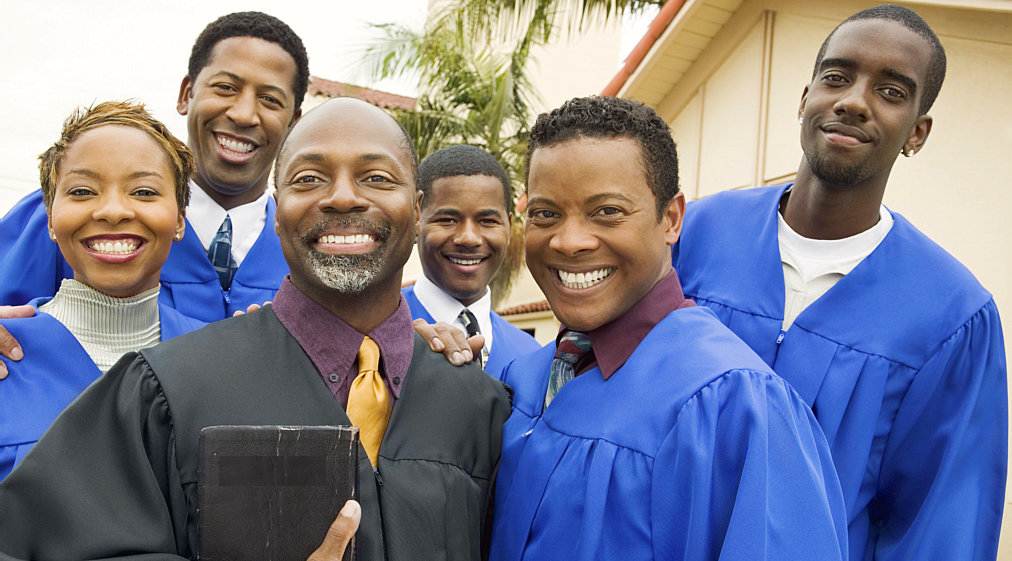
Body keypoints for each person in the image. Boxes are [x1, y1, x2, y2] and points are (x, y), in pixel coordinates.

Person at [0, 98, 510, 561]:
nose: (342, 198)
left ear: (418, 209)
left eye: (376, 177)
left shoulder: (477, 404)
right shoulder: (171, 388)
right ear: (276, 212)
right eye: (308, 179)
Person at [671, 5, 1007, 560]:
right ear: (804, 99)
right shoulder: (693, 236)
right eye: (837, 77)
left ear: (916, 134)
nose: (854, 100)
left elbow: (940, 524)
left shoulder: (951, 315)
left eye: (892, 92)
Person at [490, 96, 847, 561]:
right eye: (545, 214)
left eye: (608, 211)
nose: (569, 241)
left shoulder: (735, 404)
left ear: (672, 219)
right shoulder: (525, 378)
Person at [0, 11, 307, 324]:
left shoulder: (307, 251)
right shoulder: (68, 217)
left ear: (294, 123)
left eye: (269, 99)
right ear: (187, 95)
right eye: (225, 87)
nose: (243, 114)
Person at [0, 101, 206, 479]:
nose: (112, 210)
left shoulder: (216, 357)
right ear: (50, 218)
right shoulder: (7, 355)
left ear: (179, 220)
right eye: (82, 191)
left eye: (143, 192)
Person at [404, 144, 539, 376]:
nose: (468, 238)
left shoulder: (532, 356)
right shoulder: (374, 330)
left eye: (487, 221)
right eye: (447, 220)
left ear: (508, 226)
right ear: (417, 220)